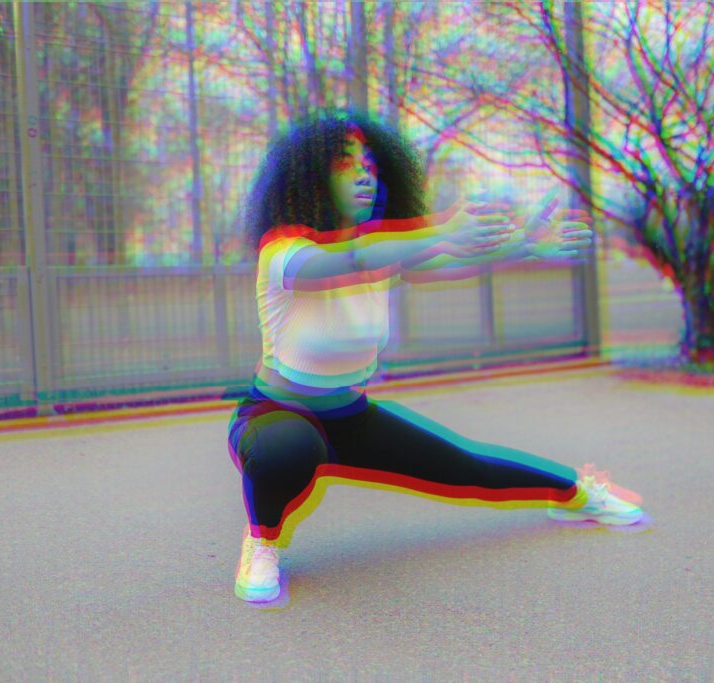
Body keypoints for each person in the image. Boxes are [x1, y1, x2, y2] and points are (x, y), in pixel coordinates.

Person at [228, 109, 643, 603]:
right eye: (345, 163)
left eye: (371, 165)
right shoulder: (284, 252)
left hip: (349, 415)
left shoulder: (383, 254)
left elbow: (445, 258)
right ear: (311, 176)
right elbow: (350, 259)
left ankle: (577, 493)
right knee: (287, 449)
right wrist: (439, 232)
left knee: (469, 467)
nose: (364, 175)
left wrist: (526, 247)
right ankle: (262, 542)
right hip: (276, 414)